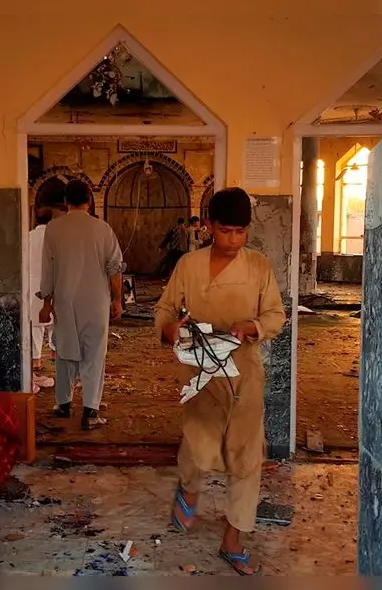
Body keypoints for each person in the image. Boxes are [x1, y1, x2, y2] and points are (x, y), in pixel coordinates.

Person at [155, 187, 285, 576]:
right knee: (198, 442)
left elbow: (276, 315)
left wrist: (254, 326)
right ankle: (190, 488)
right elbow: (163, 309)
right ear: (210, 226)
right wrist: (169, 328)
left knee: (246, 457)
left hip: (244, 374)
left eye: (241, 232)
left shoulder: (259, 267)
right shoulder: (188, 266)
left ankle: (234, 538)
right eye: (226, 230)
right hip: (200, 371)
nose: (233, 240)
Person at [38, 180, 125, 431]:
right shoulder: (103, 229)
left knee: (65, 350)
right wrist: (117, 300)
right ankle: (90, 411)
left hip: (65, 299)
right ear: (90, 201)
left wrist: (46, 302)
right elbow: (115, 268)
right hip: (96, 300)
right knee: (94, 354)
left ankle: (63, 404)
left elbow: (48, 270)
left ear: (66, 202)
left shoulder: (53, 229)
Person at [29, 207, 57, 391]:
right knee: (56, 323)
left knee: (35, 324)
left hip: (32, 284)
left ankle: (36, 359)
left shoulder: (28, 237)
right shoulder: (56, 238)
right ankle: (56, 353)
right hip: (53, 283)